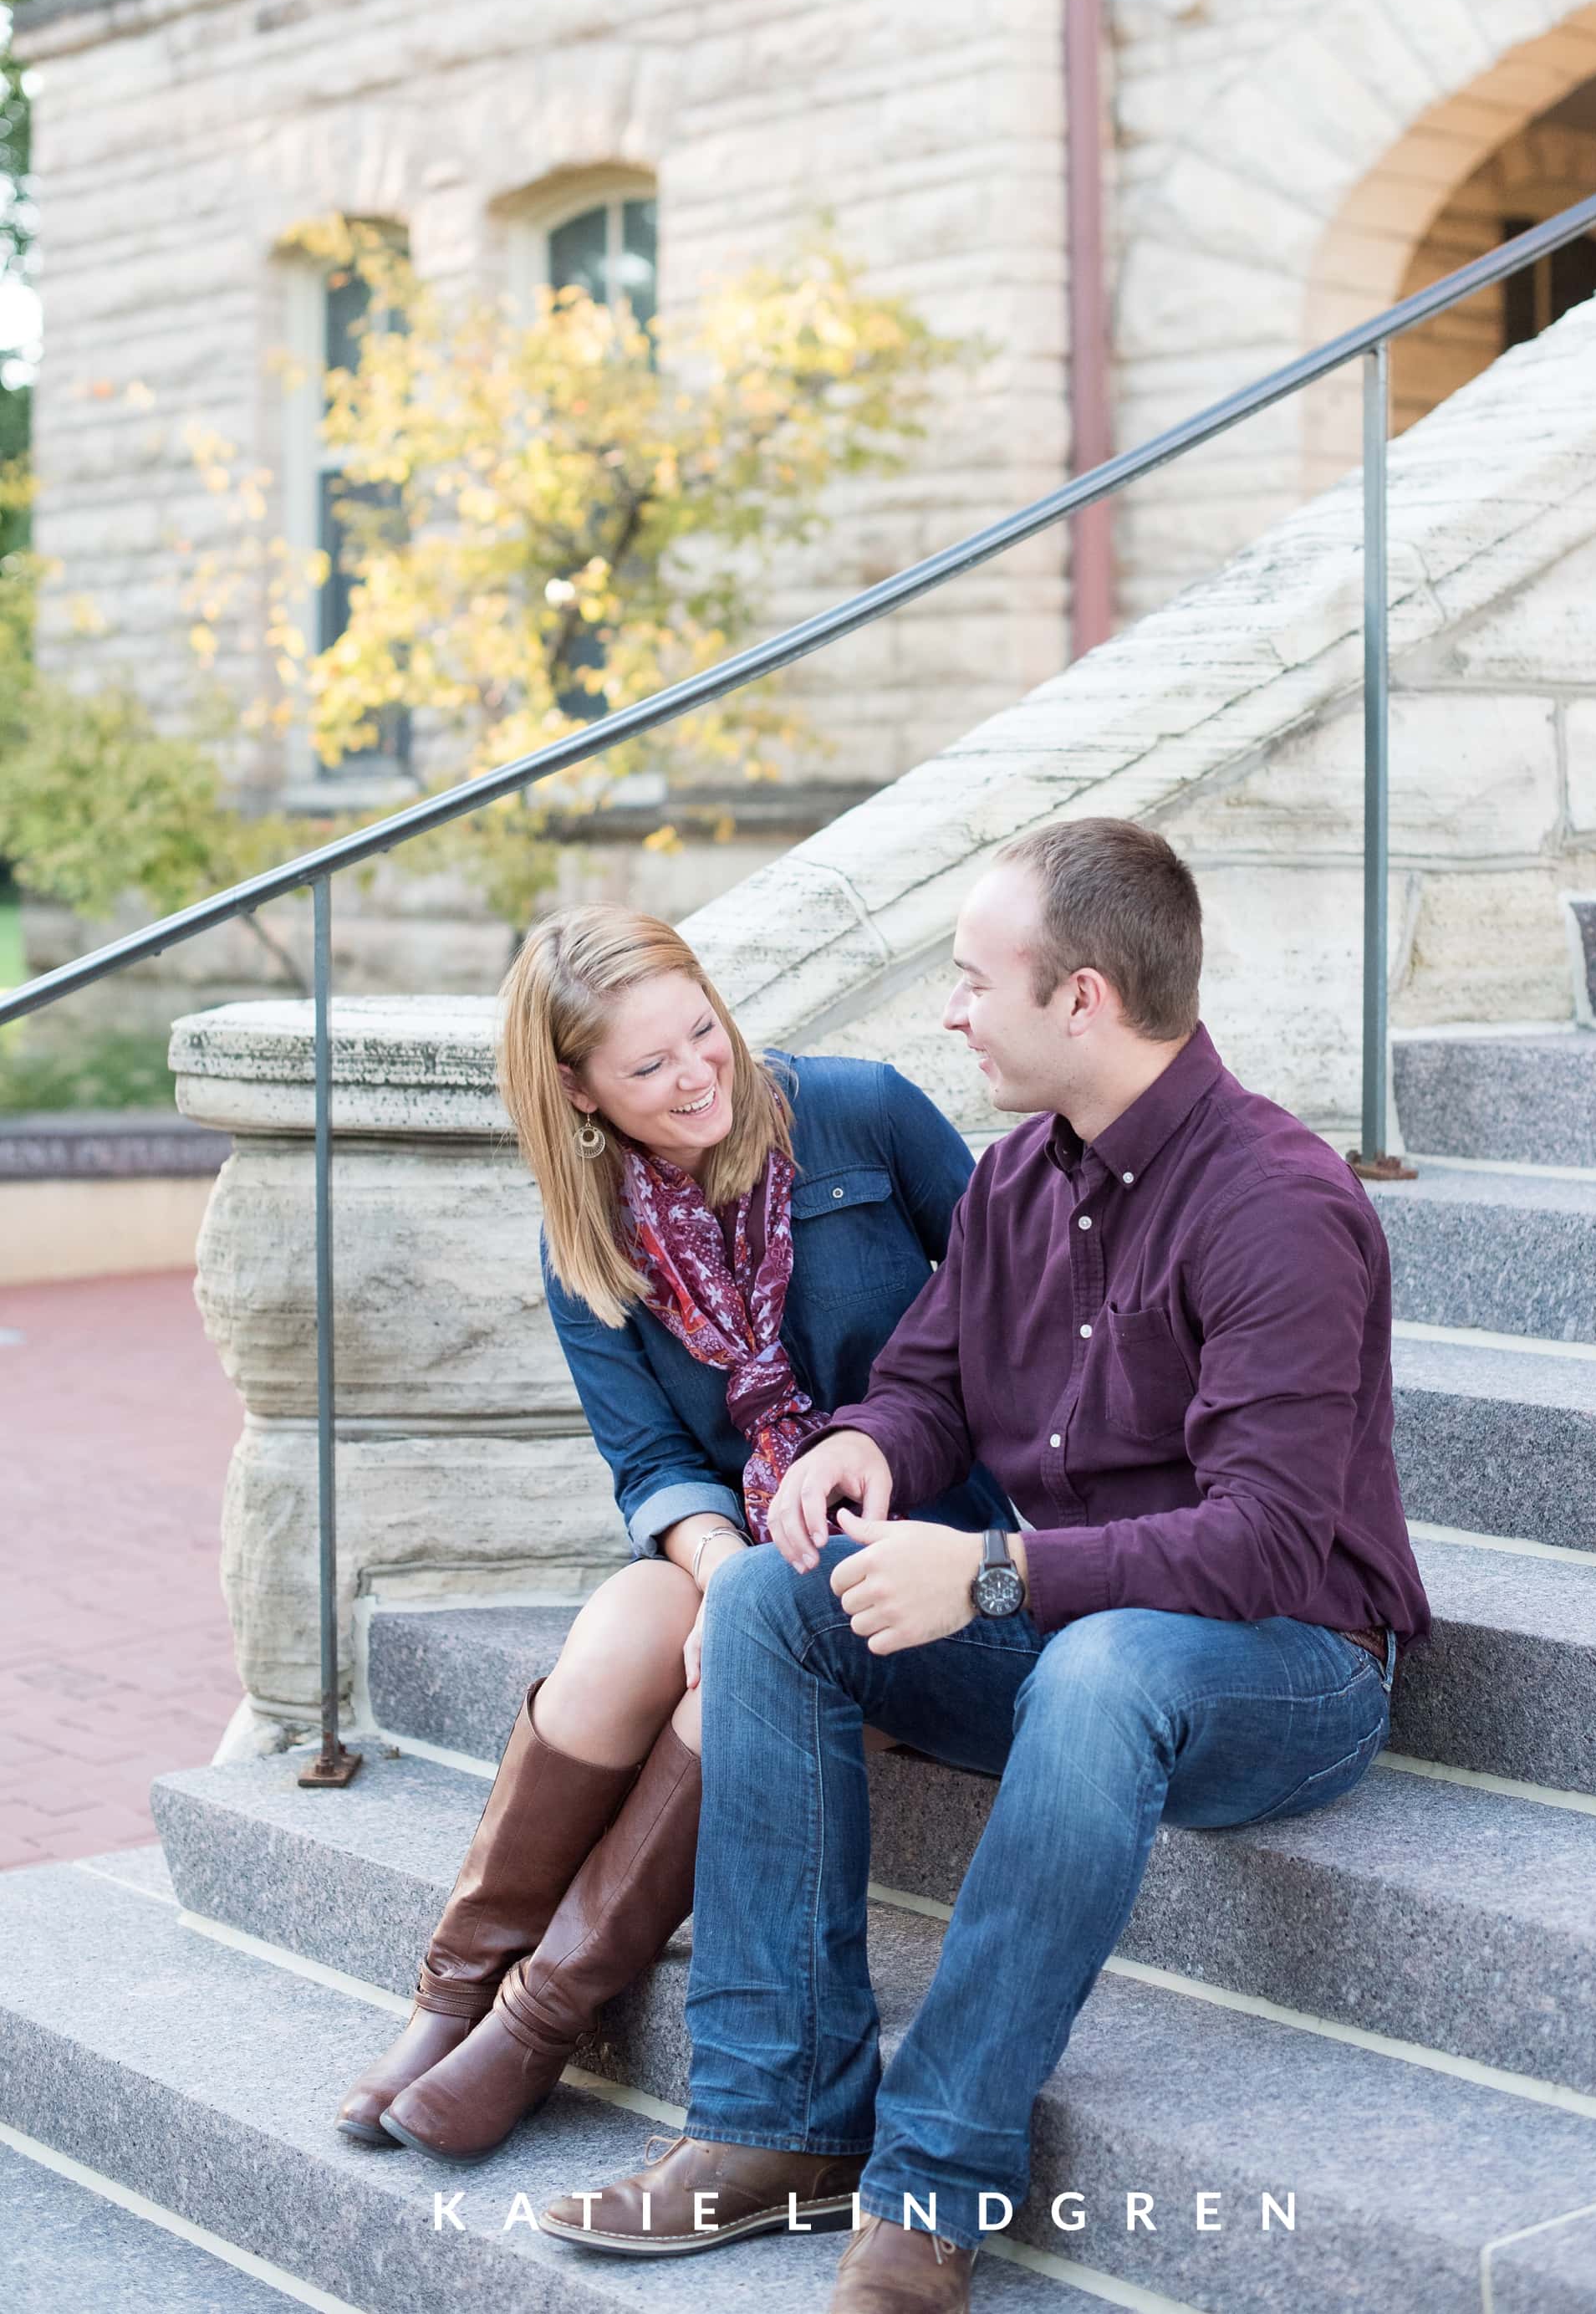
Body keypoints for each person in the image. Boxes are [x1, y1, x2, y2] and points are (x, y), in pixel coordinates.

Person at [546, 820, 1433, 2312]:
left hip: (1287, 1659)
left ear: (1080, 999)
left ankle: (934, 2174)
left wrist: (997, 1571)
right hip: (1078, 1636)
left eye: (973, 980)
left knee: (1101, 1661)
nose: (950, 1011)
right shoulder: (1023, 1176)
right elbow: (933, 1384)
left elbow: (1269, 1537)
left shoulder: (1276, 1202)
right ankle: (775, 2121)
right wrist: (870, 1449)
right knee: (768, 1595)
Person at [333, 904, 1014, 2166]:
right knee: (612, 1646)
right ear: (578, 1092)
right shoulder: (586, 1237)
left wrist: (806, 1539)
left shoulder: (864, 1112)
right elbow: (649, 1465)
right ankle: (450, 1995)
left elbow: (1009, 1314)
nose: (700, 1072)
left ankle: (537, 2024)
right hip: (742, 1546)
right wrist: (721, 1569)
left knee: (743, 1664)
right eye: (650, 1067)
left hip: (913, 1546)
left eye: (703, 1029)